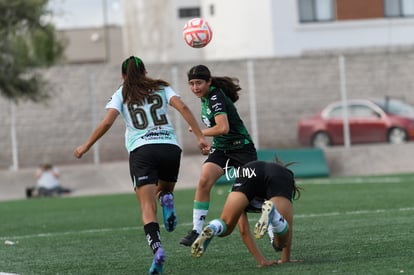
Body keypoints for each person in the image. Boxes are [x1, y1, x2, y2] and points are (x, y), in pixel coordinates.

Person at [73, 56, 209, 275]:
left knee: (147, 208)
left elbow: (107, 121)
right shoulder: (162, 87)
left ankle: (157, 250)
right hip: (169, 148)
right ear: (145, 71)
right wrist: (200, 136)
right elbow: (182, 106)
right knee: (163, 190)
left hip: (143, 151)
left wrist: (86, 146)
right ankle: (167, 197)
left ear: (123, 76)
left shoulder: (122, 93)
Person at [180, 65, 258, 246]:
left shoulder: (215, 96)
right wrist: (206, 140)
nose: (195, 87)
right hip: (222, 150)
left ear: (209, 82)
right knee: (204, 180)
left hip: (242, 149)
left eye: (199, 83)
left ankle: (273, 229)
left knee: (254, 196)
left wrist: (200, 132)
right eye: (191, 84)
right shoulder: (206, 98)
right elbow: (219, 132)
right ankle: (196, 230)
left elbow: (223, 128)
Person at [191, 160, 301, 266]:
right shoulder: (284, 176)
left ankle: (213, 227)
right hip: (278, 175)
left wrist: (261, 261)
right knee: (281, 242)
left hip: (249, 170)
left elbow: (243, 230)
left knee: (226, 225)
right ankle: (273, 214)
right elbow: (288, 226)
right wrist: (285, 259)